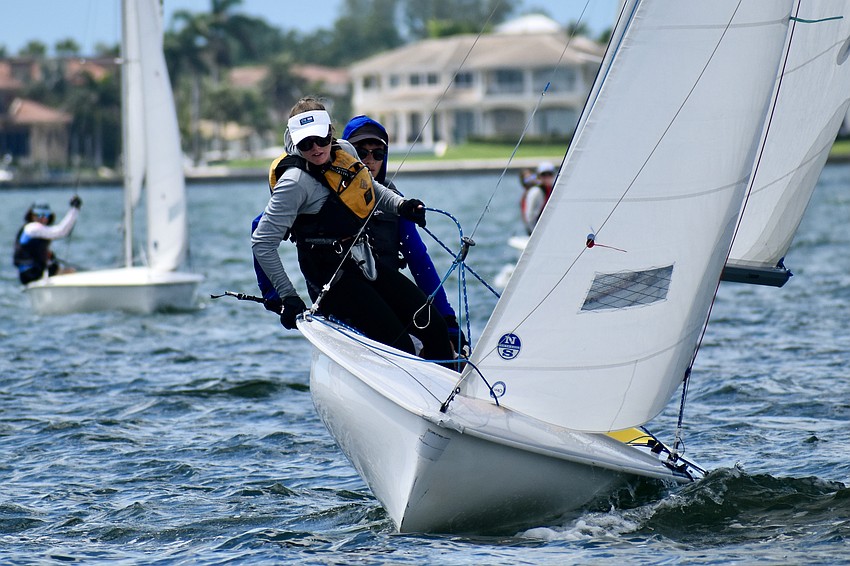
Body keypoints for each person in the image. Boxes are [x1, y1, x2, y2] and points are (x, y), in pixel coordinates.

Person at [252, 97, 455, 364]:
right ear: (294, 142)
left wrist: (401, 205)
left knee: (435, 328)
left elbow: (368, 187)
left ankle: (451, 390)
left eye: (321, 139)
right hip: (331, 279)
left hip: (363, 261)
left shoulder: (345, 151)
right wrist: (286, 297)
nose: (315, 148)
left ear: (330, 132)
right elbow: (262, 243)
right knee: (401, 346)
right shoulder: (293, 183)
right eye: (305, 143)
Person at [341, 115, 469, 358]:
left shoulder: (397, 202)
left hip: (388, 291)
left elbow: (419, 261)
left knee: (443, 340)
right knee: (405, 344)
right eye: (361, 152)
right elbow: (262, 229)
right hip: (344, 296)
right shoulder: (326, 193)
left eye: (378, 154)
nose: (370, 161)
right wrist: (278, 295)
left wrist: (448, 318)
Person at [13, 196, 82, 284]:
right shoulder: (32, 228)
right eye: (38, 215)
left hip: (30, 274)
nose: (42, 218)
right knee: (70, 273)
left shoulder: (34, 231)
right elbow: (62, 231)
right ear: (31, 215)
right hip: (31, 274)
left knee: (65, 270)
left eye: (45, 215)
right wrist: (75, 209)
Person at [520, 161, 556, 235]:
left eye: (549, 174)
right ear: (539, 176)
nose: (547, 177)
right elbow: (530, 217)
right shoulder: (536, 192)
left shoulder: (554, 190)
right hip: (538, 233)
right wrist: (535, 236)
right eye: (544, 175)